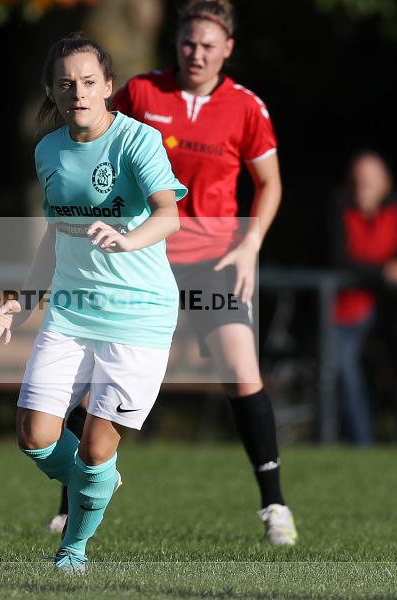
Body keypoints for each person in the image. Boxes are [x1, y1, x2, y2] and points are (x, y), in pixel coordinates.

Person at [0, 32, 186, 573]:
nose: (78, 92)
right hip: (70, 311)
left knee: (93, 448)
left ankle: (72, 550)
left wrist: (127, 238)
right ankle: (99, 481)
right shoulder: (47, 150)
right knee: (34, 436)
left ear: (108, 86)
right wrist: (19, 303)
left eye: (89, 82)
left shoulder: (138, 142)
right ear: (52, 89)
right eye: (66, 83)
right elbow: (56, 234)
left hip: (137, 315)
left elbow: (168, 214)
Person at [107, 0, 296, 544]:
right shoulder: (142, 93)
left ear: (227, 49)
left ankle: (274, 506)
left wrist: (249, 244)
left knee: (242, 371)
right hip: (148, 257)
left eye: (209, 45)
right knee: (113, 373)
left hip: (215, 259)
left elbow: (271, 184)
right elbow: (104, 154)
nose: (197, 53)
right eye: (189, 42)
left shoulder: (246, 108)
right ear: (177, 43)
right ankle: (71, 502)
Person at [330, 151, 397, 446]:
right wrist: (383, 272)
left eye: (370, 180)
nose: (363, 185)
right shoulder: (339, 210)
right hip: (346, 311)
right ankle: (360, 441)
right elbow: (340, 259)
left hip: (389, 315)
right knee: (343, 369)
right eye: (358, 180)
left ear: (385, 184)